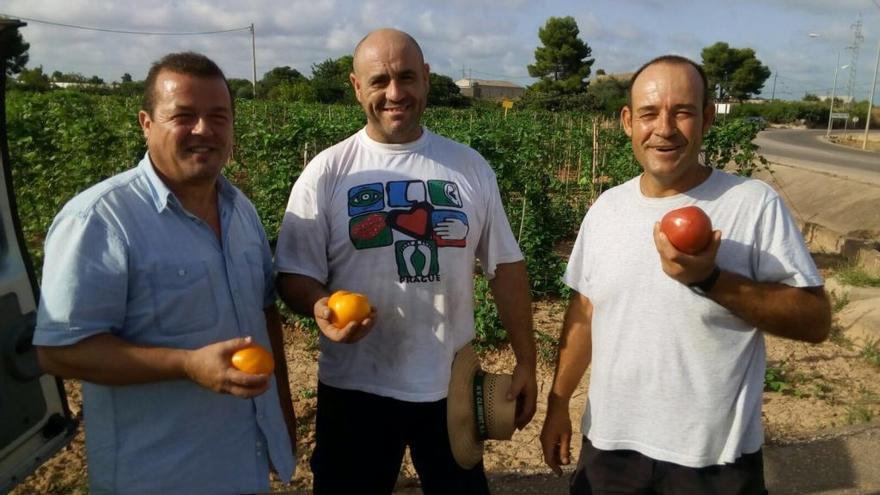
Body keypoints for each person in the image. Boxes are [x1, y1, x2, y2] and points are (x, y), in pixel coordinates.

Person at [540, 55, 831, 494]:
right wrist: (558, 404)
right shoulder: (606, 209)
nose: (665, 128)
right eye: (649, 113)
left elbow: (815, 320)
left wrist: (711, 280)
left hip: (712, 461)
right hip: (609, 448)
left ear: (707, 118)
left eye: (683, 112)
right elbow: (585, 309)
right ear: (627, 121)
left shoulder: (752, 205)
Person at [274, 28, 537, 494]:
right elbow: (295, 273)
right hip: (356, 387)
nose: (395, 93)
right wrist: (318, 304)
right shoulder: (328, 171)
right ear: (357, 87)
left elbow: (506, 267)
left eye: (407, 77)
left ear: (427, 80)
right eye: (379, 81)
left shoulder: (468, 167)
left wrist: (526, 361)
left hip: (451, 387)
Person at [33, 52, 296, 494]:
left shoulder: (241, 211)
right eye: (183, 116)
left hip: (242, 460)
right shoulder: (100, 220)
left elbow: (263, 313)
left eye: (218, 116)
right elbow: (59, 351)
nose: (203, 130)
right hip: (159, 474)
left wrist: (282, 416)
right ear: (146, 123)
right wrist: (185, 364)